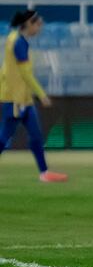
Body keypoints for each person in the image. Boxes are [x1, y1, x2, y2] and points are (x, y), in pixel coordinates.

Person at [0, 10, 67, 182]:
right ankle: (44, 172)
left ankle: (44, 173)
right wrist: (42, 95)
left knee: (36, 136)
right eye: (38, 24)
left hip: (23, 99)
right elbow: (25, 74)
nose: (39, 28)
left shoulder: (15, 39)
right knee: (4, 137)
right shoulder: (18, 43)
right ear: (29, 24)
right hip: (15, 99)